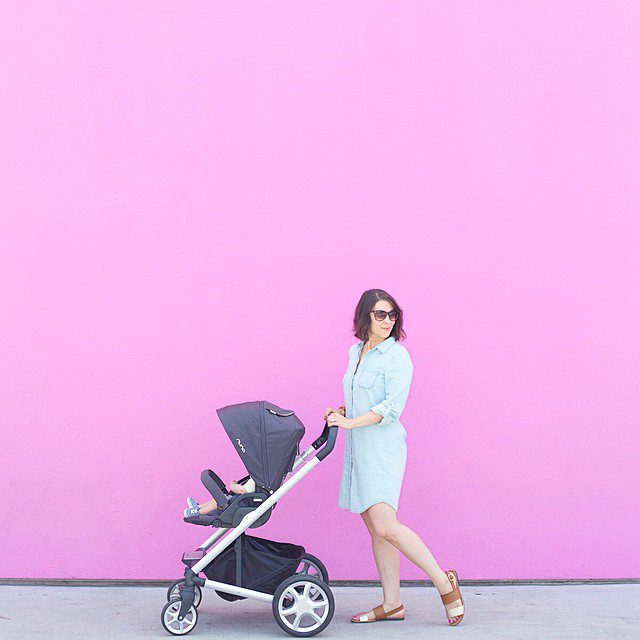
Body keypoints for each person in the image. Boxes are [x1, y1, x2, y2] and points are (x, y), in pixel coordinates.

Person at [325, 289, 465, 625]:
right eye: (380, 314)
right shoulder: (355, 352)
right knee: (377, 530)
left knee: (387, 525)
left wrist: (350, 422)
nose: (387, 321)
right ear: (365, 317)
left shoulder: (397, 357)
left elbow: (389, 409)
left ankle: (444, 583)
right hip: (359, 449)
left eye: (392, 315)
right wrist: (343, 412)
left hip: (383, 450)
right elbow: (361, 394)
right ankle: (392, 604)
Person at [183, 477, 256, 517]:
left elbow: (242, 490)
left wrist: (232, 484)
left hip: (237, 503)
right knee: (221, 498)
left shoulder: (255, 482)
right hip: (238, 498)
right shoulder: (257, 480)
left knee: (217, 504)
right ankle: (198, 506)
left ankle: (198, 512)